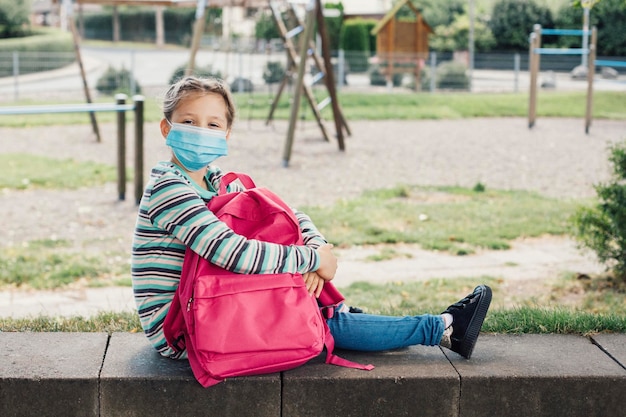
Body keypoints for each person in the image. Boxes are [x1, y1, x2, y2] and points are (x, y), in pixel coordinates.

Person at [131, 75, 492, 363]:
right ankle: (444, 327)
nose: (200, 132)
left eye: (212, 125)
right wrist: (315, 260)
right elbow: (231, 252)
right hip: (182, 329)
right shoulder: (168, 190)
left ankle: (360, 315)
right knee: (318, 317)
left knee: (313, 302)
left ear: (226, 134)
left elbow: (288, 215)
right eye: (189, 122)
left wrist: (317, 245)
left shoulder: (222, 183)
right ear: (167, 129)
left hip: (209, 302)